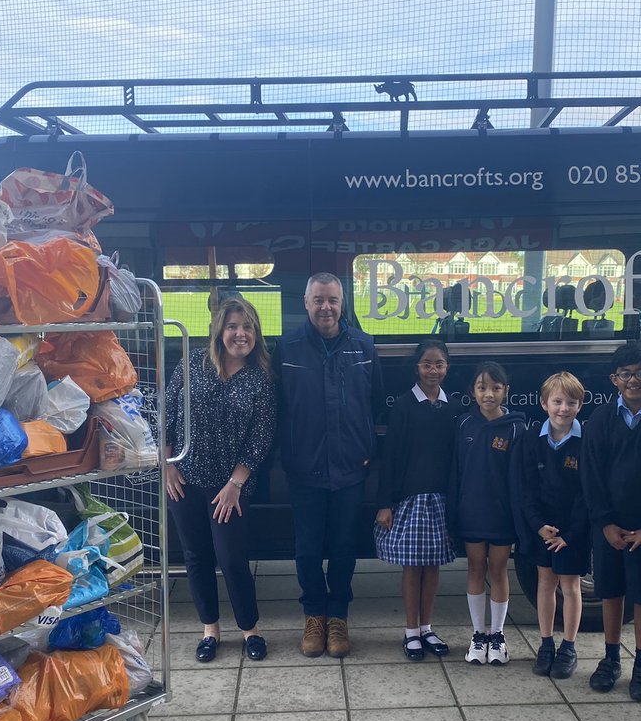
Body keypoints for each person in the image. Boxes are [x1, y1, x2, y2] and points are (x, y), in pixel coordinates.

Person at [275, 272, 384, 658]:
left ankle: (338, 617)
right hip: (304, 468)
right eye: (318, 300)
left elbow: (374, 403)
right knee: (306, 549)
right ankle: (314, 617)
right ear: (305, 303)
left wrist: (366, 447)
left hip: (350, 467)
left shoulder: (363, 346)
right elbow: (278, 408)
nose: (326, 307)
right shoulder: (286, 349)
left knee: (342, 547)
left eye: (333, 300)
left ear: (342, 304)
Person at [164, 296, 276, 663]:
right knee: (196, 556)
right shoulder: (190, 365)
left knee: (231, 558)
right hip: (184, 479)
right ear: (219, 331)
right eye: (232, 326)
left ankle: (250, 629)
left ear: (255, 334)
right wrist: (167, 464)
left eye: (247, 327)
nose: (240, 334)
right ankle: (209, 629)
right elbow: (164, 413)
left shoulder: (260, 378)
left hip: (231, 486)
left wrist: (235, 484)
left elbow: (262, 435)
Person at [581, 343, 641, 701]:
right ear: (614, 380)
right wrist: (605, 523)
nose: (633, 380)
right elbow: (591, 476)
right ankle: (609, 659)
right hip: (608, 527)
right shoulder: (601, 420)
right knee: (610, 591)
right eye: (625, 374)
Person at [374, 339, 463, 661]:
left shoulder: (453, 407)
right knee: (413, 567)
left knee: (433, 566)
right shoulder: (403, 406)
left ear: (447, 367)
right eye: (427, 364)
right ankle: (411, 631)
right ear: (417, 367)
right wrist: (386, 503)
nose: (433, 370)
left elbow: (455, 459)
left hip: (441, 500)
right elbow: (391, 456)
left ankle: (427, 627)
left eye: (439, 364)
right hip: (410, 501)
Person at [512, 371, 590, 680]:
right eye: (557, 402)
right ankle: (546, 644)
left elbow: (588, 492)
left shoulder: (587, 442)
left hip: (573, 531)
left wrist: (569, 535)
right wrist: (538, 525)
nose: (563, 409)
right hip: (542, 529)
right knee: (546, 582)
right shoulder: (531, 439)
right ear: (544, 404)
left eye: (571, 403)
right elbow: (524, 488)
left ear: (580, 406)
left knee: (570, 586)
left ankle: (568, 646)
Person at [452, 361, 527, 666]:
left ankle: (497, 635)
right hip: (471, 512)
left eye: (496, 388)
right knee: (474, 568)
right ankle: (478, 634)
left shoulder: (516, 427)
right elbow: (455, 471)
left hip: (501, 516)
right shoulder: (463, 425)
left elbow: (520, 478)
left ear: (505, 391)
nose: (489, 394)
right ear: (473, 391)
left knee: (497, 571)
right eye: (482, 387)